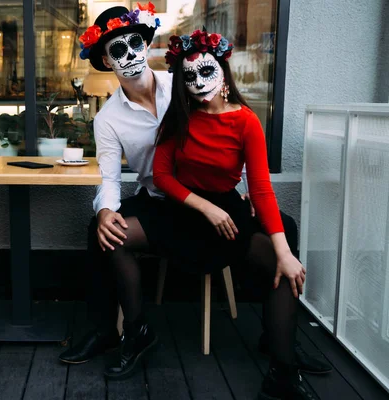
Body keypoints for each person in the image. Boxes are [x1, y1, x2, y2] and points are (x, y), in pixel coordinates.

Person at [58, 3, 330, 382]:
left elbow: (230, 133)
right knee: (103, 231)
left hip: (217, 194)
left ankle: (281, 337)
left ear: (146, 44)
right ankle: (118, 330)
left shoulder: (184, 84)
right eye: (116, 51)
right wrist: (105, 211)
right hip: (161, 197)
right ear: (105, 60)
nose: (130, 56)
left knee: (284, 229)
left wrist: (244, 187)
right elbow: (110, 178)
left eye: (134, 43)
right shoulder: (107, 119)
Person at [152, 30, 318, 399]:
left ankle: (282, 364)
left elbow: (259, 188)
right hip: (186, 213)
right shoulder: (178, 118)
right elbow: (162, 176)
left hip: (228, 210)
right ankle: (281, 340)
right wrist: (203, 205)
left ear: (224, 73)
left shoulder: (246, 121)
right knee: (280, 239)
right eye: (189, 76)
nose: (198, 82)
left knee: (282, 251)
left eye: (206, 72)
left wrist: (286, 253)